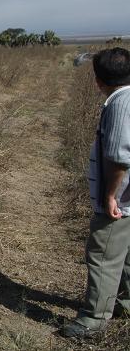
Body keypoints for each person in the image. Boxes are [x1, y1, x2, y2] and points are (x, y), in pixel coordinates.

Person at [62, 47, 130, 338]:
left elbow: (118, 157)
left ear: (99, 80)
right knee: (125, 257)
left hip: (121, 202)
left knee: (103, 255)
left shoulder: (119, 104)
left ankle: (94, 320)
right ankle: (123, 304)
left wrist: (110, 195)